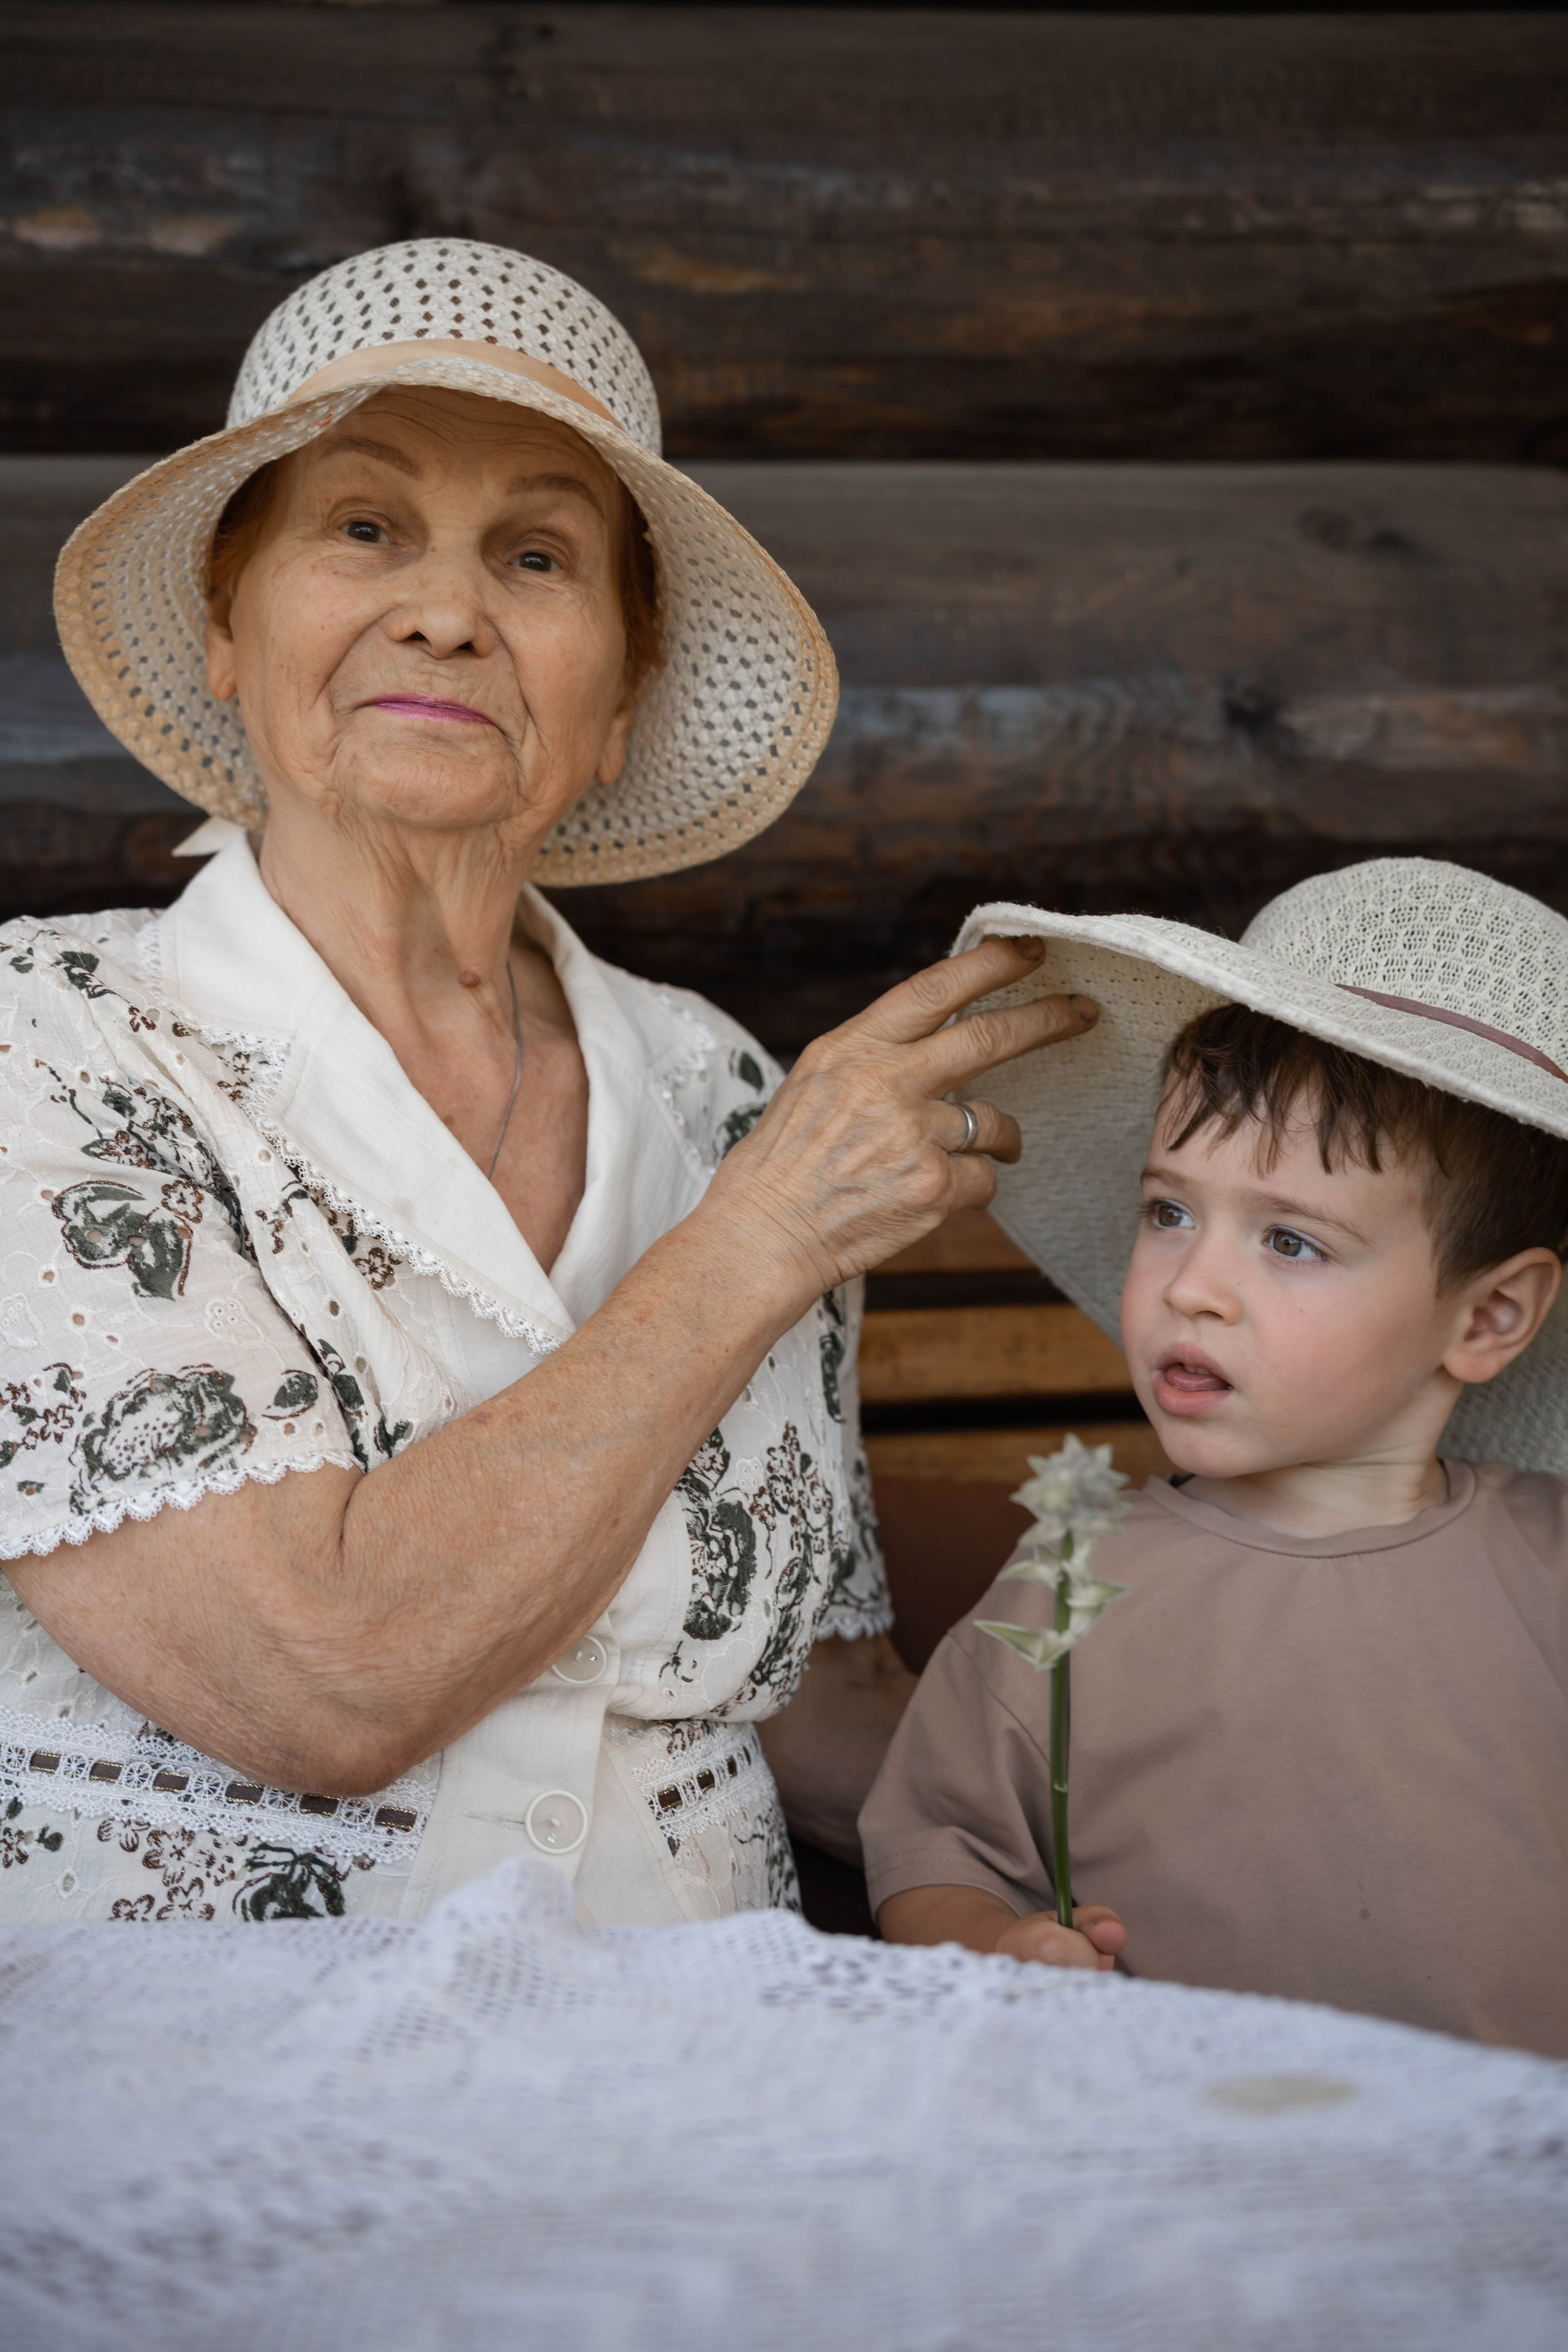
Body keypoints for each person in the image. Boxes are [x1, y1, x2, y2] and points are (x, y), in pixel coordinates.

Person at [0, 238, 1098, 1926]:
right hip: (232, 2094)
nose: (445, 609)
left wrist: (1101, 1868)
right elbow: (319, 1679)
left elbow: (808, 1697)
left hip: (708, 2047)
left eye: (535, 554)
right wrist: (756, 1241)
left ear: (616, 701)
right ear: (227, 629)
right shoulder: (45, 1037)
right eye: (362, 527)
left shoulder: (723, 1085)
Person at [862, 858, 1568, 2056]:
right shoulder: (1067, 1585)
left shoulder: (1546, 1571)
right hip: (1199, 2192)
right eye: (1167, 1212)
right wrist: (1001, 1944)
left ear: (1487, 1317)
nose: (1191, 1287)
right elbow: (937, 1861)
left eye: (1290, 1241)